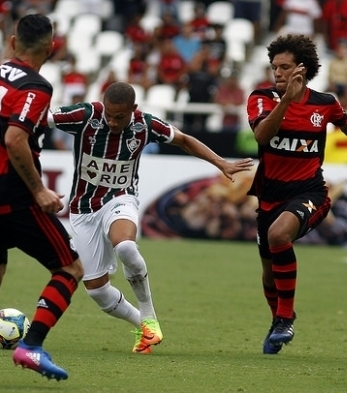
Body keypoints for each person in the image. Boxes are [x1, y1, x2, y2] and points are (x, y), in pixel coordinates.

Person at [50, 81, 254, 354]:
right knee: (97, 291)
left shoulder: (144, 124)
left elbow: (183, 139)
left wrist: (220, 162)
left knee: (125, 246)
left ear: (133, 110)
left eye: (119, 117)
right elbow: (43, 118)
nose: (111, 121)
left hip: (120, 198)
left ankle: (148, 313)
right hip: (83, 209)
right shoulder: (86, 115)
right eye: (109, 115)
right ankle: (145, 327)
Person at [245, 34, 347, 355]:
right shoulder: (262, 98)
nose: (277, 73)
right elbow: (263, 136)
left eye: (284, 67)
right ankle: (280, 319)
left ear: (301, 70)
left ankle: (284, 320)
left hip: (311, 192)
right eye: (274, 67)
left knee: (280, 234)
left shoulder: (325, 103)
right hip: (269, 197)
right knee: (268, 273)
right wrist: (286, 101)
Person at [0, 14, 84, 384]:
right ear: (51, 47)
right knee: (70, 268)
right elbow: (14, 138)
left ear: (12, 41)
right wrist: (39, 190)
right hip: (13, 196)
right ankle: (32, 345)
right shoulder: (35, 85)